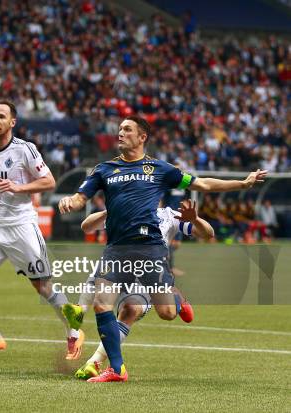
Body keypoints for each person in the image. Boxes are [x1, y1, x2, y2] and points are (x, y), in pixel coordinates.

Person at [58, 115, 267, 382]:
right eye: (120, 129)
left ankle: (176, 297)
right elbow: (80, 198)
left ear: (142, 137)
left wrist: (243, 184)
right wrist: (70, 201)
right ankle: (116, 369)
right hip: (117, 248)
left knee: (167, 313)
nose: (120, 133)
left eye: (127, 129)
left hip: (149, 249)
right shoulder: (104, 170)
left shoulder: (159, 169)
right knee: (101, 304)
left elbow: (201, 183)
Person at [0, 100, 84, 361]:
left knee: (43, 287)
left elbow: (49, 181)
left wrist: (19, 188)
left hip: (22, 227)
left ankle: (74, 332)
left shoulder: (25, 150)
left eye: (1, 116)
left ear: (12, 122)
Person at [67, 199, 214, 379]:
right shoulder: (126, 210)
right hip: (119, 265)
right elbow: (87, 226)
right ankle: (95, 363)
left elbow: (208, 233)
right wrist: (110, 210)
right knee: (114, 305)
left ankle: (176, 297)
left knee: (160, 313)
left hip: (151, 273)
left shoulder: (168, 215)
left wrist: (196, 219)